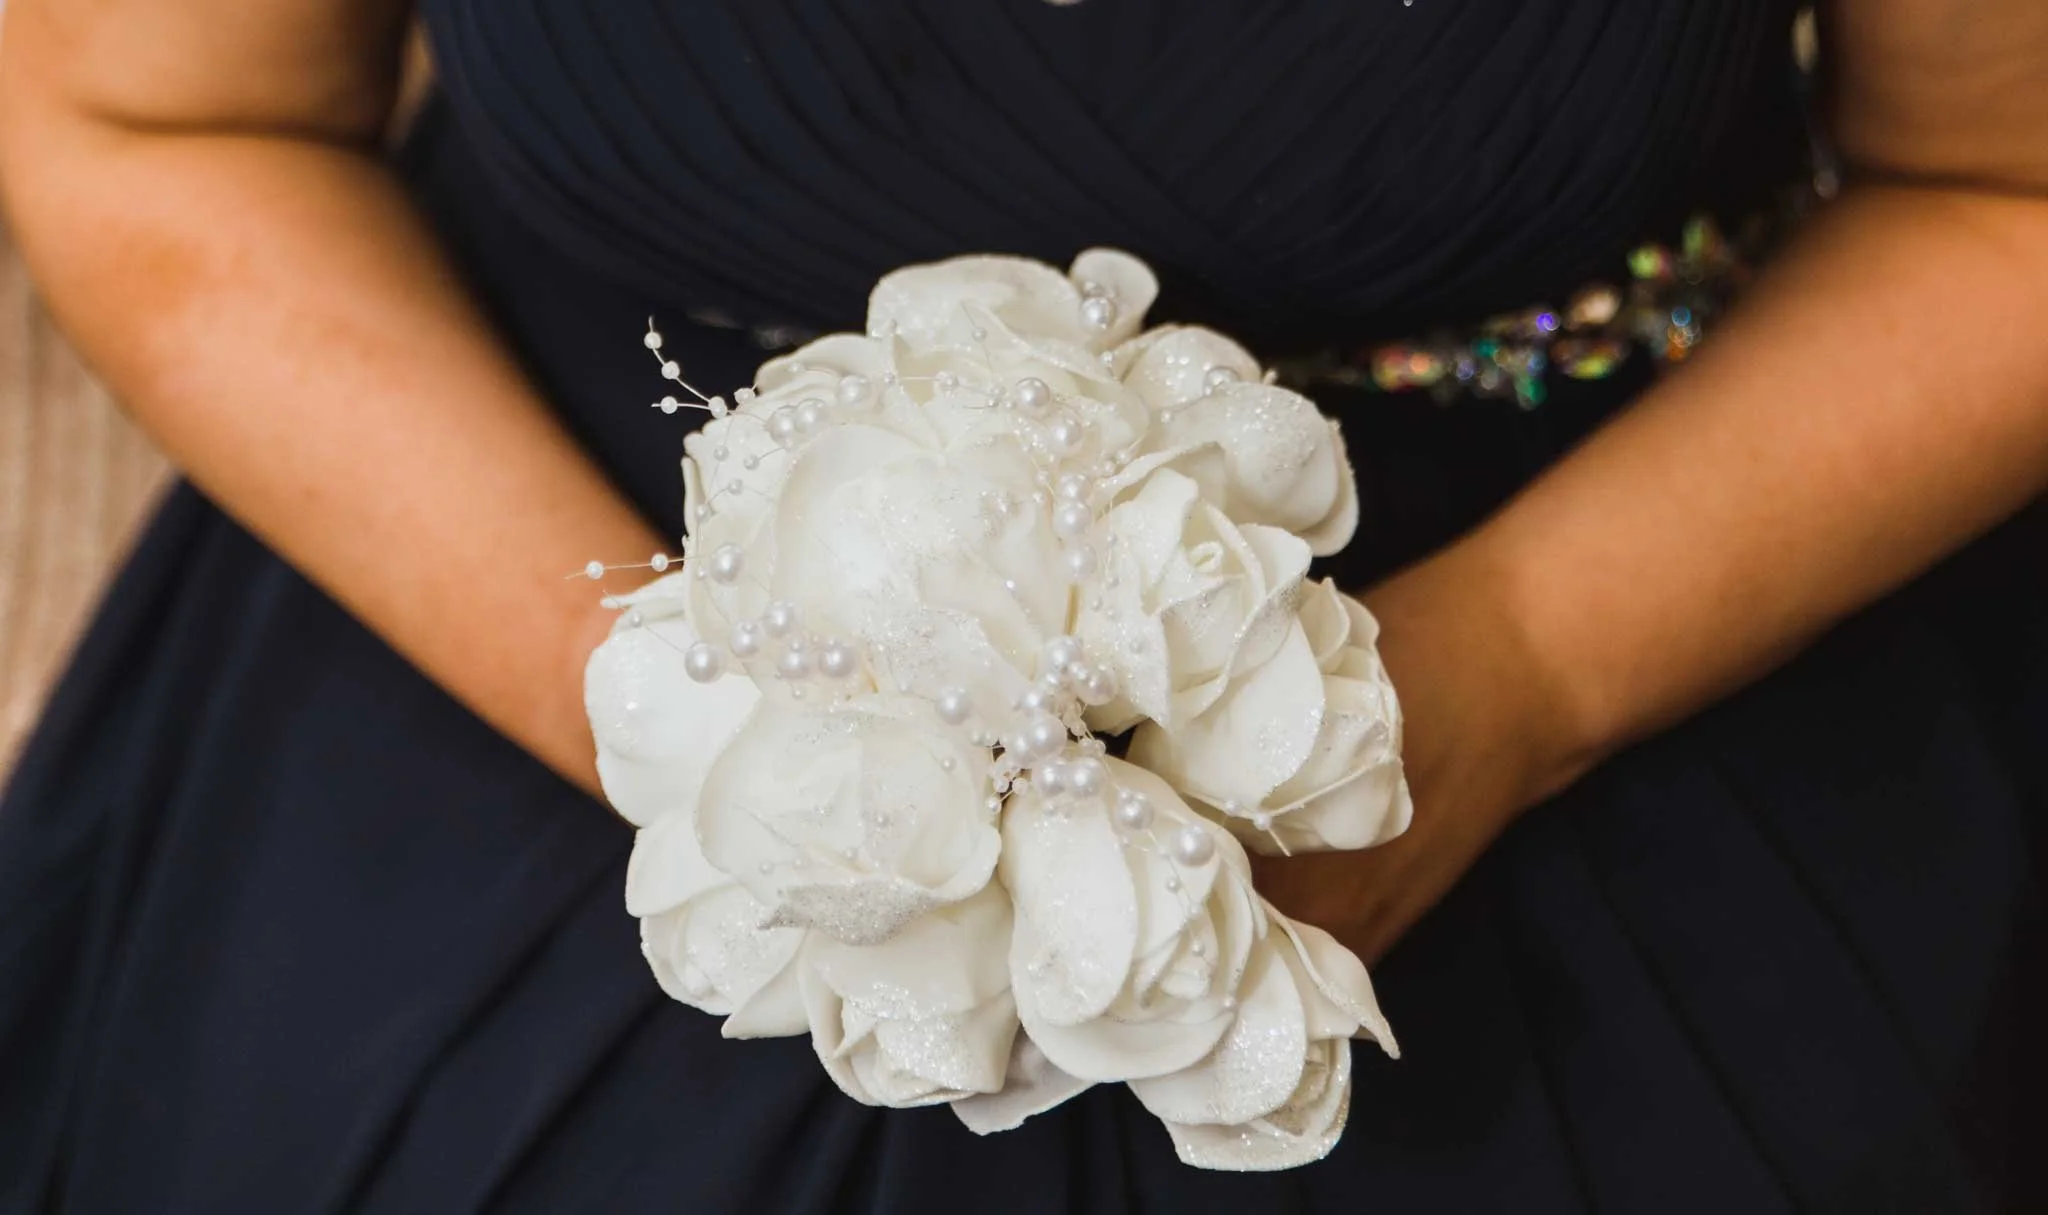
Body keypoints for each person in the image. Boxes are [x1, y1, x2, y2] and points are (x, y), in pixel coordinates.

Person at [1, 1, 2043, 1210]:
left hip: (1644, 583)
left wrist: (1506, 679)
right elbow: (160, 117)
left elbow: (2003, 188)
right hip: (545, 583)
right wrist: (701, 727)